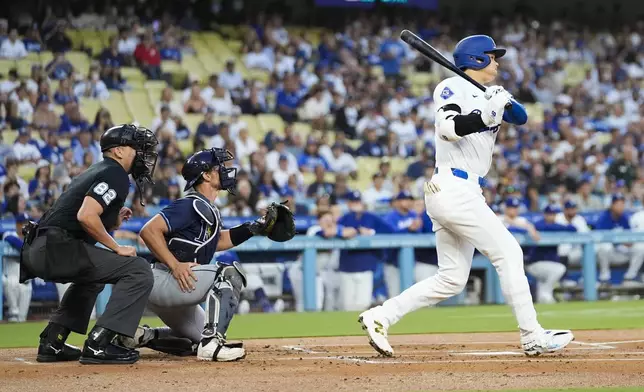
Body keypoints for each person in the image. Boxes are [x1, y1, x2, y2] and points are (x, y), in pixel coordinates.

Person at [358, 35, 574, 357]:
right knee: (510, 254)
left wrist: (502, 101)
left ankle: (380, 316)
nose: (497, 62)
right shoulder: (450, 87)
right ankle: (532, 336)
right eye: (491, 56)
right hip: (452, 186)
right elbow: (448, 128)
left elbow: (522, 118)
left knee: (452, 279)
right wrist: (487, 115)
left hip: (465, 190)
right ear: (475, 60)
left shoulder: (490, 92)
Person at [118, 148, 293, 361]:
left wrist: (255, 227)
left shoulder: (204, 206)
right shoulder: (191, 203)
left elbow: (217, 241)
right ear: (206, 175)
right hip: (166, 279)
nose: (226, 171)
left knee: (192, 342)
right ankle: (212, 345)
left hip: (178, 285)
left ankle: (141, 336)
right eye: (219, 167)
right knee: (228, 273)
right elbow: (148, 231)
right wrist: (175, 265)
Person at [20, 124, 159, 365]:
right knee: (138, 270)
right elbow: (86, 216)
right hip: (56, 247)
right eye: (135, 148)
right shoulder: (115, 173)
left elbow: (84, 215)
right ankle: (99, 343)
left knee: (93, 278)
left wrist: (112, 219)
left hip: (41, 247)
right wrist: (116, 246)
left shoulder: (99, 170)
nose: (139, 154)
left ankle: (53, 341)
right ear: (117, 151)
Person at [527, 205, 575, 304]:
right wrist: (559, 228)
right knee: (560, 269)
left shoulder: (557, 226)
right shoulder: (538, 225)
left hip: (548, 264)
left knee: (547, 276)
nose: (552, 216)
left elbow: (573, 228)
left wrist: (559, 227)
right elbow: (543, 227)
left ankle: (543, 297)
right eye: (550, 214)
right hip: (535, 263)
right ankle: (546, 292)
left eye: (554, 214)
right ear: (545, 214)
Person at [595, 193, 644, 286]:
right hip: (608, 253)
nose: (621, 207)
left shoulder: (624, 218)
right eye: (618, 204)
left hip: (621, 252)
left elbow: (630, 237)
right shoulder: (604, 218)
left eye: (622, 204)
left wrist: (628, 242)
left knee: (641, 247)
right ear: (612, 205)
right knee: (605, 247)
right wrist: (620, 241)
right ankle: (604, 277)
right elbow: (599, 238)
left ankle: (629, 276)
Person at [2, 213, 32, 322]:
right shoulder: (9, 234)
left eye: (26, 223)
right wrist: (26, 248)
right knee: (10, 283)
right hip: (11, 275)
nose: (24, 226)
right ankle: (13, 313)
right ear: (17, 225)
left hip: (26, 280)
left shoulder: (29, 238)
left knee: (22, 318)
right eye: (22, 223)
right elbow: (13, 241)